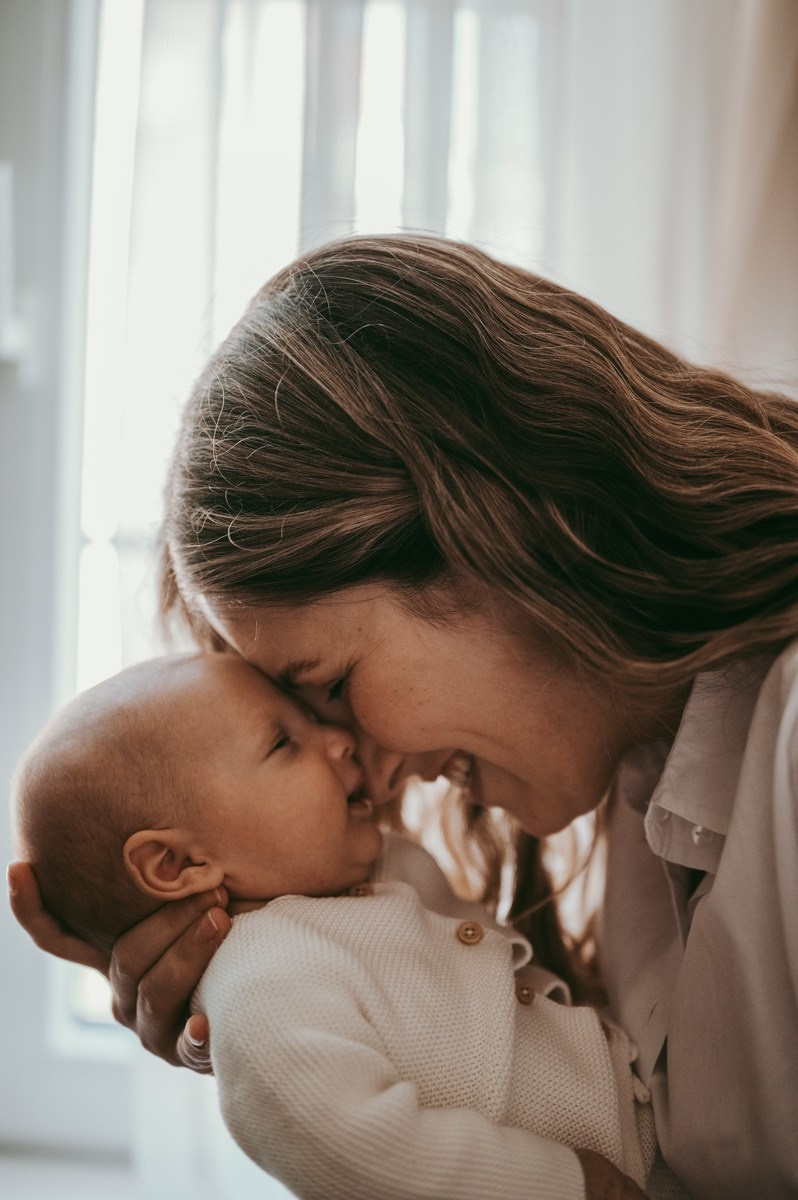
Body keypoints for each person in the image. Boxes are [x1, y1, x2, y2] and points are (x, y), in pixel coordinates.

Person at [9, 234, 798, 1198]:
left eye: (332, 685)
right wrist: (292, 1001)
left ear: (495, 527)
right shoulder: (645, 792)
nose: (363, 757)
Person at [11, 651, 677, 1200]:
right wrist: (566, 1188)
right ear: (177, 862)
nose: (338, 739)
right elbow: (365, 1154)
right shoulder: (261, 989)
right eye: (283, 741)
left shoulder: (373, 875)